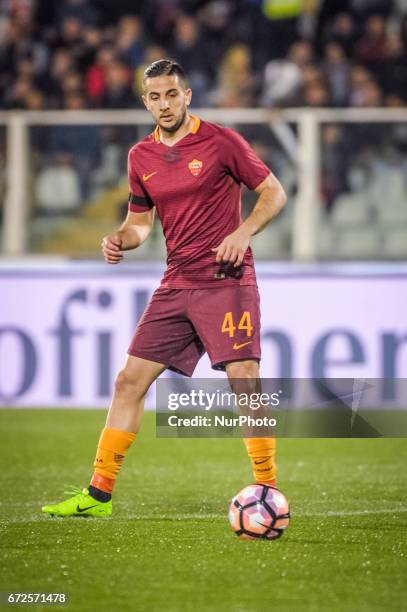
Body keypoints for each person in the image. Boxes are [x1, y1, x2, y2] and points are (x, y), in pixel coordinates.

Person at [42, 59, 287, 518]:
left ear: (187, 95)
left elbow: (274, 192)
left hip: (226, 280)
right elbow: (139, 223)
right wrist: (121, 239)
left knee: (245, 382)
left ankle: (268, 489)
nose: (164, 104)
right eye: (154, 97)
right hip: (176, 283)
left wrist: (242, 232)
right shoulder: (140, 156)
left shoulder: (221, 141)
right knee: (128, 381)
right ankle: (97, 495)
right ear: (145, 101)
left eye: (171, 94)